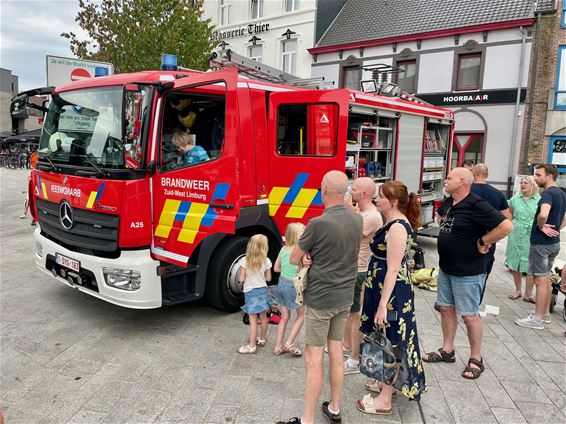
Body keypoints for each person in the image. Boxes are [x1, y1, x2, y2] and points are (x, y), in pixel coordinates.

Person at [277, 171, 362, 424]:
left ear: (324, 189)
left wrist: (305, 256)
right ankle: (335, 408)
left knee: (313, 357)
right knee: (335, 350)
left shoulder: (317, 223)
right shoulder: (356, 220)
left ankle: (307, 419)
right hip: (344, 296)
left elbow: (294, 258)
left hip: (321, 298)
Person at [423, 168, 513, 380]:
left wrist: (484, 241)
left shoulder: (476, 204)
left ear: (462, 181)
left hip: (468, 271)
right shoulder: (450, 202)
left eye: (449, 178)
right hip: (447, 267)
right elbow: (440, 216)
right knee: (445, 308)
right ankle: (447, 350)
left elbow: (507, 225)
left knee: (469, 315)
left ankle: (476, 358)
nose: (445, 180)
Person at [355, 181, 426, 415]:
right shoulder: (392, 222)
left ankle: (385, 398)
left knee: (391, 339)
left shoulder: (397, 227)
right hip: (383, 287)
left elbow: (394, 269)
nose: (377, 199)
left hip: (392, 292)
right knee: (385, 337)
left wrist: (383, 304)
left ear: (393, 201)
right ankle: (387, 384)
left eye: (382, 196)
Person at [516, 164, 566, 329]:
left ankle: (537, 319)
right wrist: (557, 228)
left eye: (538, 175)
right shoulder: (561, 193)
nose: (536, 179)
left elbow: (543, 214)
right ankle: (544, 315)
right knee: (545, 279)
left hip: (541, 244)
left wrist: (541, 225)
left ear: (549, 176)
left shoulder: (548, 194)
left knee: (540, 280)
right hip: (553, 244)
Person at [343, 177, 382, 375]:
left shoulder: (372, 217)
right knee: (349, 313)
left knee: (354, 315)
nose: (351, 190)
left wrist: (349, 213)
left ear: (364, 194)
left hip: (358, 271)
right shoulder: (361, 213)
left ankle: (354, 358)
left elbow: (349, 234)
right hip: (350, 269)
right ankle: (347, 346)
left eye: (355, 188)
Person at [470, 164, 511, 300]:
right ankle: (475, 305)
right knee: (481, 276)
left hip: (465, 239)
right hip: (487, 242)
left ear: (472, 174)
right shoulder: (498, 194)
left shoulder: (466, 190)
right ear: (486, 175)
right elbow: (508, 218)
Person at [273, 222, 306, 357]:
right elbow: (301, 271)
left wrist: (285, 271)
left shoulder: (283, 249)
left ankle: (278, 346)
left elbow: (276, 269)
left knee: (284, 317)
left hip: (281, 285)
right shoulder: (301, 253)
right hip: (294, 287)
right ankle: (289, 342)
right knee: (301, 315)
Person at [505, 176, 540, 301]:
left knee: (529, 263)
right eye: (521, 182)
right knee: (515, 263)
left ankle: (528, 293)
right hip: (516, 232)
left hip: (531, 233)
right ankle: (518, 290)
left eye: (526, 182)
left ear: (532, 185)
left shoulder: (539, 200)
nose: (523, 184)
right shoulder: (515, 199)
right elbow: (507, 211)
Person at [237, 234, 272, 354]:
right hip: (263, 290)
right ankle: (262, 339)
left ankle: (251, 346)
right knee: (263, 316)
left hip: (250, 292)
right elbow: (268, 278)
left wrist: (240, 279)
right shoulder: (266, 261)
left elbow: (241, 279)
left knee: (253, 319)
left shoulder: (245, 260)